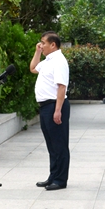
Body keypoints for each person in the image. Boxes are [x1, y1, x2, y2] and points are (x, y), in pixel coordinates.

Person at [30, 32, 70, 190]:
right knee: (52, 145)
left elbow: (62, 87)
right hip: (45, 106)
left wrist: (58, 110)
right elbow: (33, 68)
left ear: (53, 45)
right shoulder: (48, 61)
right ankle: (53, 176)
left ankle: (60, 180)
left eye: (43, 43)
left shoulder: (59, 61)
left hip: (55, 105)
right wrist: (37, 52)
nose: (41, 45)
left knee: (59, 144)